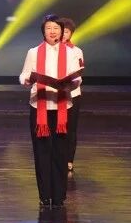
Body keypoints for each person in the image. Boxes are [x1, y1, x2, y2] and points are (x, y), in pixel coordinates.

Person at [19, 16, 85, 208]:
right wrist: (27, 79)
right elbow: (24, 74)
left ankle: (59, 196)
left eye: (56, 28)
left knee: (60, 152)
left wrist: (71, 83)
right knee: (41, 151)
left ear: (62, 31)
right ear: (43, 31)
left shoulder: (71, 53)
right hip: (39, 106)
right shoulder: (33, 52)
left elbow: (77, 77)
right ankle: (44, 195)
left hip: (62, 106)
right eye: (49, 28)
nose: (52, 31)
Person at [58, 16, 84, 174]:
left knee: (71, 128)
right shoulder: (48, 51)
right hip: (54, 95)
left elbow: (79, 73)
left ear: (71, 34)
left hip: (72, 94)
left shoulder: (76, 51)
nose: (63, 34)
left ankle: (69, 160)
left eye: (66, 32)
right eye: (61, 31)